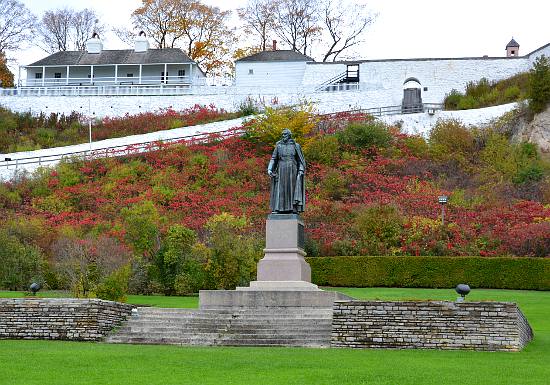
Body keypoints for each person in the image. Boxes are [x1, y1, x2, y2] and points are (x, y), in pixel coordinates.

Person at [267, 128, 306, 213]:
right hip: (281, 168)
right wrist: (270, 169)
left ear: (289, 135)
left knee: (292, 188)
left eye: (285, 134)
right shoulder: (278, 145)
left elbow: (300, 160)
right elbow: (274, 158)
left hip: (293, 169)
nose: (283, 136)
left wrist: (301, 170)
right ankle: (278, 209)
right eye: (282, 134)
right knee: (280, 189)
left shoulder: (296, 145)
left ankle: (293, 208)